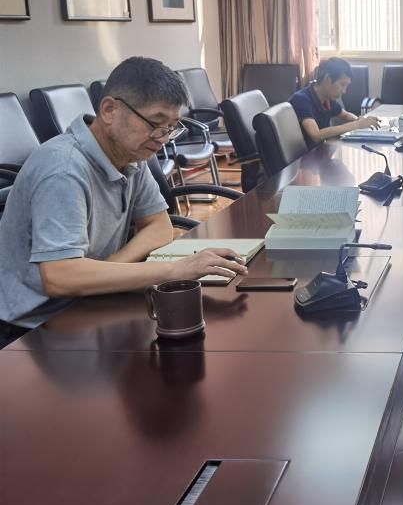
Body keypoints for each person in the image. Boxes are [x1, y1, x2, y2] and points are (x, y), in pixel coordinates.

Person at [0, 57, 248, 328]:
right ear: (109, 110)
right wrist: (174, 270)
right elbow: (59, 276)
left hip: (91, 299)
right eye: (155, 123)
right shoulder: (64, 169)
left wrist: (114, 265)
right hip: (33, 325)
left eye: (171, 127)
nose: (163, 138)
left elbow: (159, 226)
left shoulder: (131, 155)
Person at [289, 57, 380, 148]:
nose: (344, 91)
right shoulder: (301, 100)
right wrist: (357, 125)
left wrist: (360, 120)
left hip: (319, 151)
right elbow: (316, 135)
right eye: (342, 84)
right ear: (327, 78)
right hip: (305, 156)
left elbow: (345, 115)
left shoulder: (327, 99)